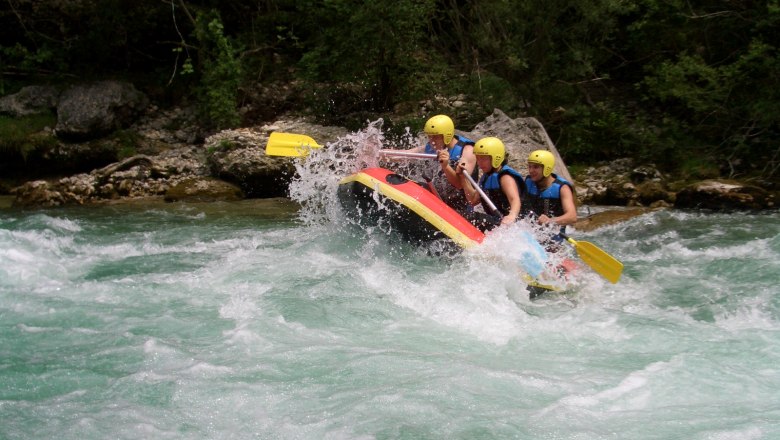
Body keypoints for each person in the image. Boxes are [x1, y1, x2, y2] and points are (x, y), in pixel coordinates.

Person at [395, 114, 478, 216]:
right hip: (440, 198)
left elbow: (460, 184)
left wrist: (446, 166)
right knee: (420, 185)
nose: (432, 141)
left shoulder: (468, 151)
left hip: (460, 207)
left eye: (435, 137)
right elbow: (404, 155)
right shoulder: (431, 147)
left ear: (446, 136)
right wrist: (377, 153)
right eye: (430, 137)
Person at [456, 137, 526, 231]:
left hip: (512, 224)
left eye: (484, 159)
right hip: (498, 222)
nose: (480, 163)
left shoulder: (505, 177)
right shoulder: (486, 177)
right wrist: (463, 177)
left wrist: (511, 215)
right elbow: (473, 199)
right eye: (478, 158)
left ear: (496, 158)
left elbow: (515, 199)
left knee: (471, 216)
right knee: (464, 214)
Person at [522, 149, 577, 237]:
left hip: (553, 235)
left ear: (547, 168)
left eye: (536, 167)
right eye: (530, 166)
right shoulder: (528, 181)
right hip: (531, 232)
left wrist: (550, 221)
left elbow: (572, 216)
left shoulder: (562, 188)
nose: (531, 170)